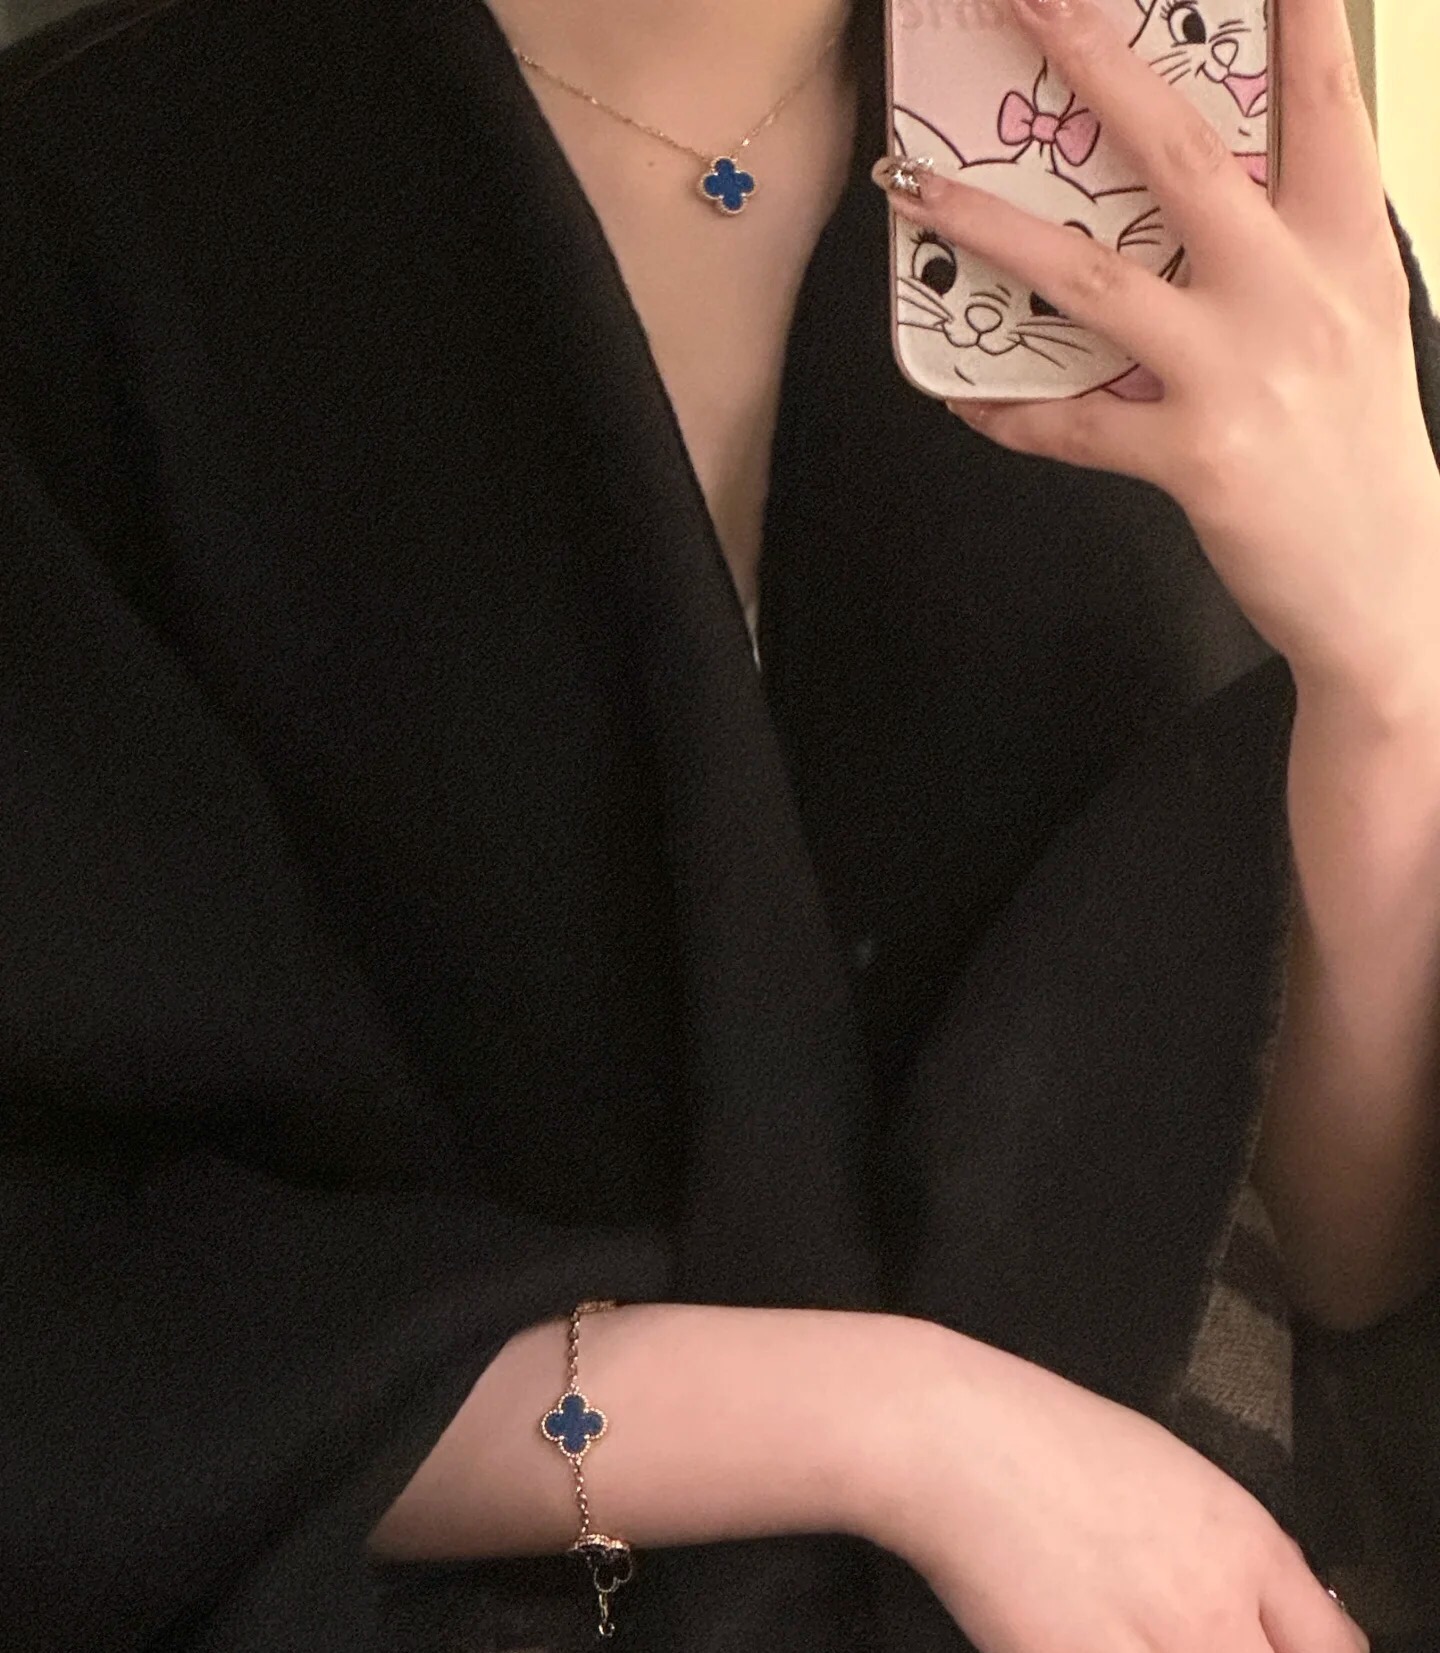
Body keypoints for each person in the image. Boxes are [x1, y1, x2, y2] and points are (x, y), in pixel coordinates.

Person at [0, 0, 1436, 1648]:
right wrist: (898, 1430)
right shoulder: (86, 215)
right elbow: (74, 1320)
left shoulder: (1200, 193)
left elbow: (1347, 1257)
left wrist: (1396, 663)